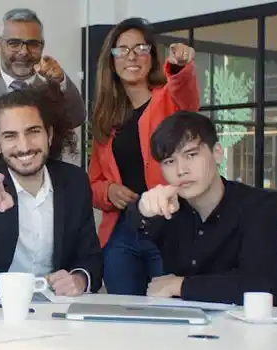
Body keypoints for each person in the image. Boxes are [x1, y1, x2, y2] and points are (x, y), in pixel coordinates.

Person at [0, 88, 102, 293]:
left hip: (52, 305)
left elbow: (91, 258)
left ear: (49, 135)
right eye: (10, 136)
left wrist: (79, 280)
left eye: (33, 132)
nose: (24, 147)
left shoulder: (75, 181)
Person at [87, 17, 199, 295]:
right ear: (111, 61)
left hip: (171, 228)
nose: (132, 56)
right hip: (124, 232)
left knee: (170, 315)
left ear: (152, 55)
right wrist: (109, 191)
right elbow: (94, 183)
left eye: (140, 48)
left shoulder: (169, 99)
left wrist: (180, 66)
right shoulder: (106, 117)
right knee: (123, 317)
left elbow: (186, 93)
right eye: (122, 50)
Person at [128, 111, 277, 304]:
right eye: (169, 161)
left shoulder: (257, 205)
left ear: (217, 153)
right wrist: (144, 207)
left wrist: (179, 285)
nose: (181, 170)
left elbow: (257, 286)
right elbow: (134, 222)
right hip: (184, 326)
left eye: (191, 155)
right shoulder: (171, 208)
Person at [0, 8, 86, 162]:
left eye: (32, 44)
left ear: (42, 46)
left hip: (40, 182)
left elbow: (77, 118)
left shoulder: (52, 87)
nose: (24, 52)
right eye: (14, 43)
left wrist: (62, 81)